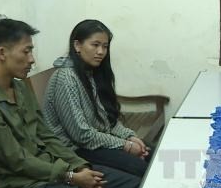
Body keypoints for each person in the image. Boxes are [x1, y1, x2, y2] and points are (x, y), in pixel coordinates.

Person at [0, 18, 140, 188]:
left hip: (56, 171)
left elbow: (46, 134)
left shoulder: (18, 87)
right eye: (26, 51)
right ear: (2, 53)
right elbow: (18, 162)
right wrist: (71, 176)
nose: (32, 59)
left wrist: (80, 166)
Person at [43, 19, 151, 178]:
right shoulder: (66, 78)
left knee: (153, 153)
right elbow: (81, 135)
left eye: (105, 46)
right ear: (77, 45)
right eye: (95, 45)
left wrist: (130, 136)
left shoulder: (91, 73)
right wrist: (125, 146)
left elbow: (106, 120)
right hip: (75, 151)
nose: (101, 51)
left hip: (95, 142)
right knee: (143, 169)